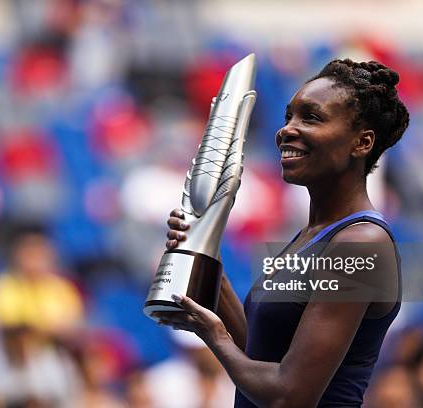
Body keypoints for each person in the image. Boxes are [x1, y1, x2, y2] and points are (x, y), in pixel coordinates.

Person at [155, 59, 409, 407]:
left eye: (311, 117)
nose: (287, 129)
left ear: (362, 142)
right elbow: (259, 358)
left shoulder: (359, 244)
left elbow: (289, 396)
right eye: (288, 116)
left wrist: (212, 335)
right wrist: (203, 257)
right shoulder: (309, 237)